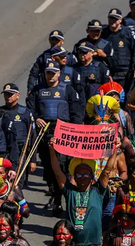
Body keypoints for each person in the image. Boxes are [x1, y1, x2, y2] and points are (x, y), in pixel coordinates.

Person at [49, 138, 121, 246]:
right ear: (74, 177)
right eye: (79, 174)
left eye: (86, 173)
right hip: (72, 244)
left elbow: (107, 171)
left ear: (92, 176)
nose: (82, 176)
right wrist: (52, 150)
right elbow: (57, 172)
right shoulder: (69, 191)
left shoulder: (98, 190)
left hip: (93, 245)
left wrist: (114, 151)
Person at [28, 59, 83, 213]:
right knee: (48, 167)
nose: (50, 76)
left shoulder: (68, 90)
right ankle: (55, 198)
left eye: (53, 73)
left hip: (64, 133)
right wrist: (36, 118)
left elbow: (76, 113)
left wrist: (74, 132)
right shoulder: (38, 90)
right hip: (44, 133)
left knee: (63, 166)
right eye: (48, 73)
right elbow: (30, 110)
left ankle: (67, 200)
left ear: (59, 73)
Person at [103, 8, 135, 92]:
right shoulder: (104, 33)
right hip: (109, 73)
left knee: (126, 99)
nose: (112, 21)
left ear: (120, 20)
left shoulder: (128, 33)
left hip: (125, 73)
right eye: (111, 18)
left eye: (115, 19)